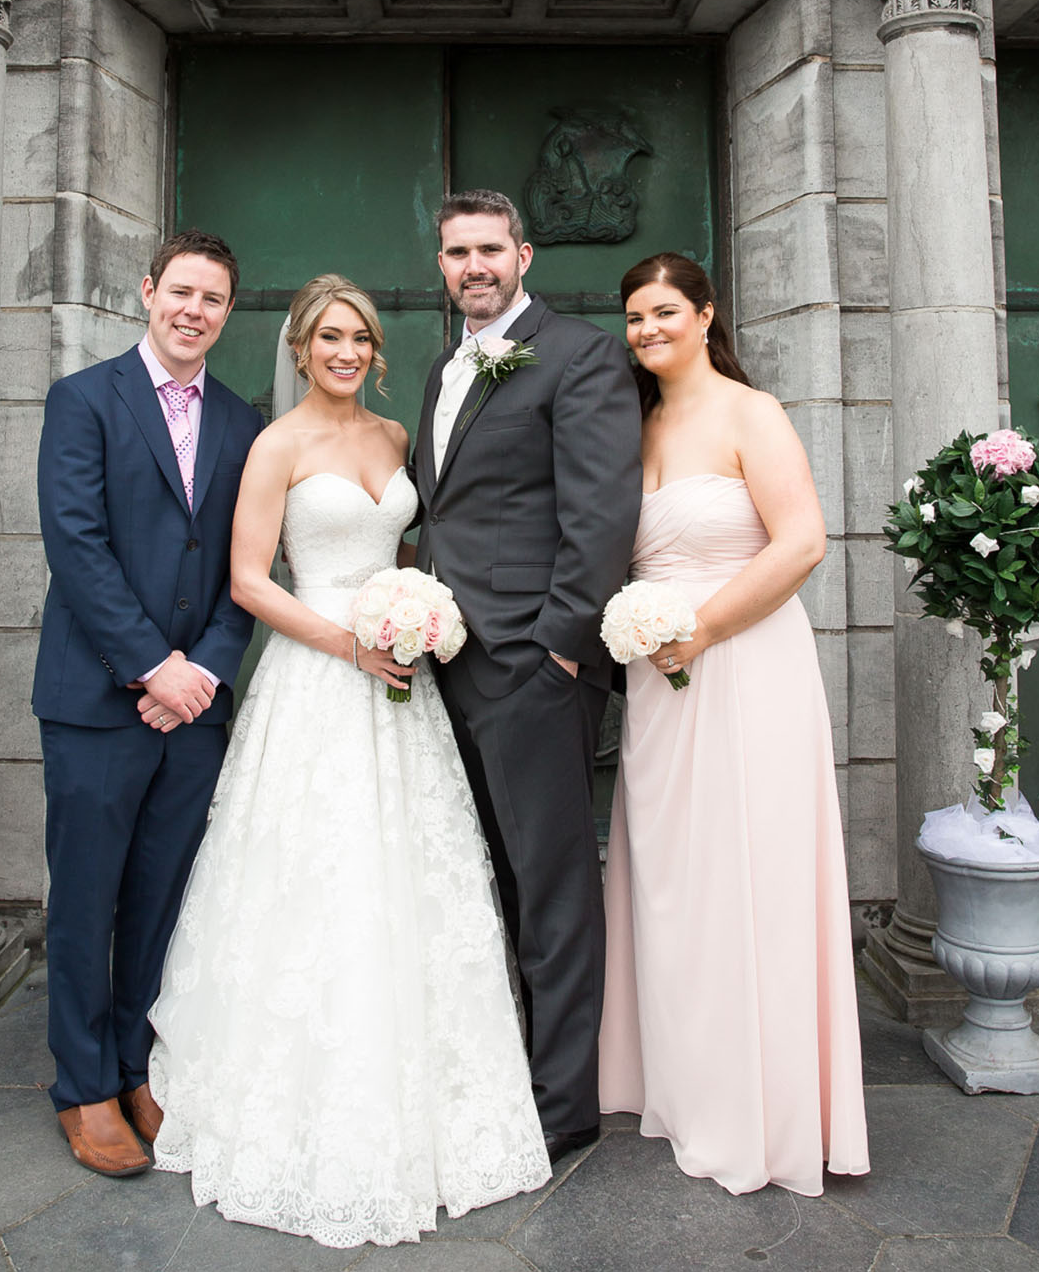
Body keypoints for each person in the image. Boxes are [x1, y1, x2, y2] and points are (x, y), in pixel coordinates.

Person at [148, 274, 551, 1248]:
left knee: (416, 873)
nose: (346, 349)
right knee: (317, 877)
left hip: (401, 689)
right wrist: (349, 642)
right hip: (321, 679)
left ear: (374, 350)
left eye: (360, 337)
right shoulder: (274, 445)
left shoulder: (393, 441)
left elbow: (414, 539)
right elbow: (249, 578)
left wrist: (414, 618)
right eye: (329, 335)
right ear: (300, 346)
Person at [598, 252, 869, 1195]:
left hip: (746, 664)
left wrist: (702, 628)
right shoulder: (630, 424)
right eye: (634, 317)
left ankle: (762, 1104)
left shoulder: (753, 413)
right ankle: (684, 1082)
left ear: (706, 314)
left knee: (750, 871)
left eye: (665, 310)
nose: (648, 329)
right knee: (677, 878)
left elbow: (802, 541)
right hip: (658, 682)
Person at [413, 191, 641, 1162]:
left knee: (552, 891)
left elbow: (599, 517)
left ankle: (563, 1104)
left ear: (524, 253)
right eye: (458, 250)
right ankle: (513, 1070)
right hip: (451, 667)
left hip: (533, 671)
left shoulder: (581, 354)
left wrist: (557, 648)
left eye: (490, 248)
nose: (475, 264)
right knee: (493, 885)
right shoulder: (439, 367)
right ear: (442, 263)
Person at [33, 229, 262, 1178]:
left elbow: (245, 567)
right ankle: (82, 1087)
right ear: (148, 292)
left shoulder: (246, 423)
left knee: (162, 896)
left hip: (193, 709)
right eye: (181, 292)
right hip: (97, 699)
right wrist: (150, 666)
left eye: (212, 299)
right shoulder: (83, 399)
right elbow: (75, 543)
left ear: (226, 313)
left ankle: (136, 1065)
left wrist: (199, 670)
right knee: (88, 898)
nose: (193, 311)